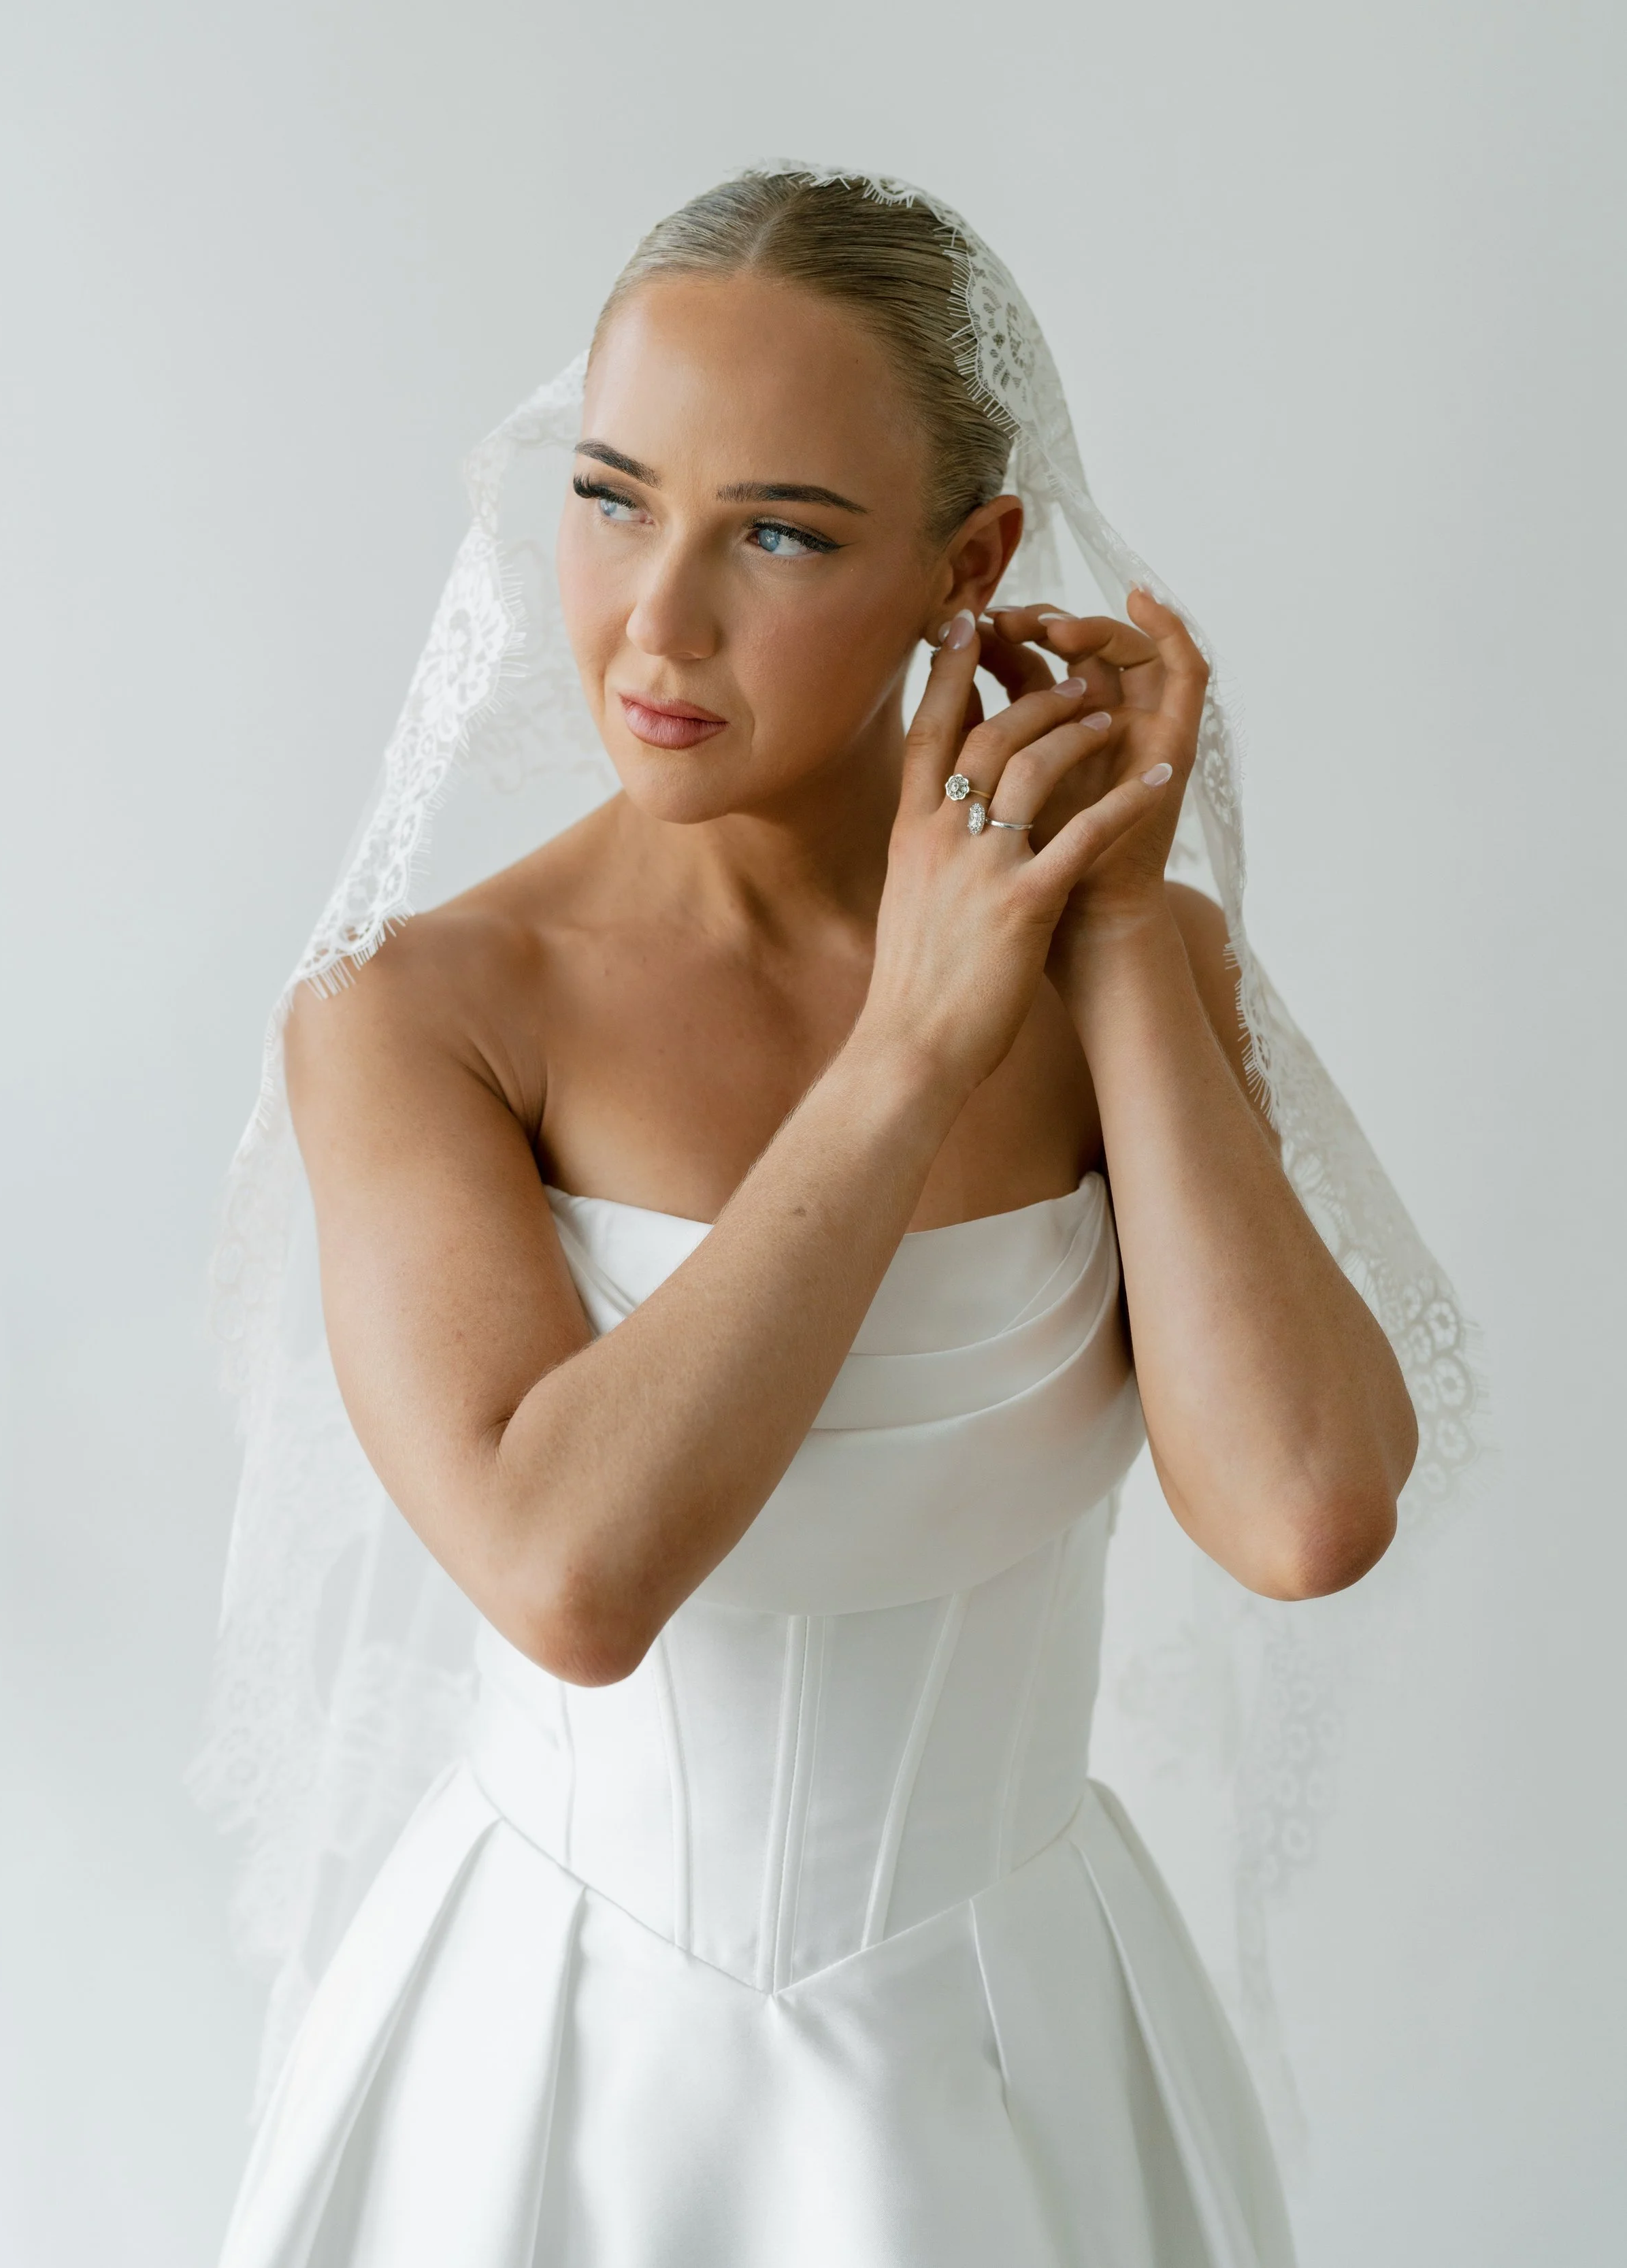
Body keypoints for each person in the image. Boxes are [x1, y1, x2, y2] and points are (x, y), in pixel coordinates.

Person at [204, 169, 1473, 2268]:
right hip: (559, 2076)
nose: (654, 618)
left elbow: (1304, 1510)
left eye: (776, 532)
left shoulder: (1127, 978)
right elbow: (568, 1574)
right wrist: (904, 1052)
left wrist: (1121, 931)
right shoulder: (420, 1014)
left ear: (966, 569)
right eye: (613, 499)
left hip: (1016, 2059)